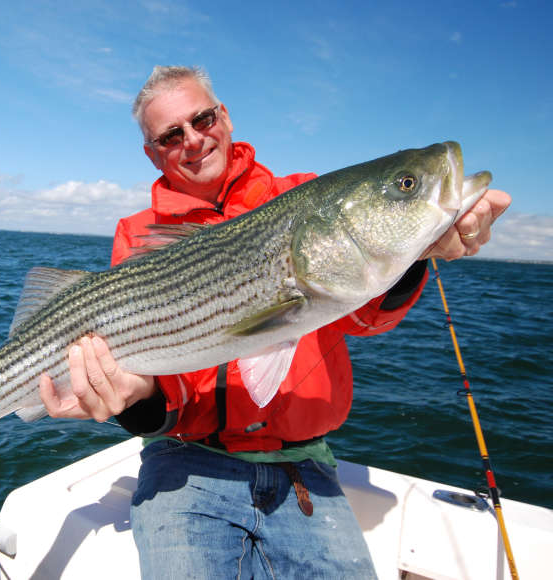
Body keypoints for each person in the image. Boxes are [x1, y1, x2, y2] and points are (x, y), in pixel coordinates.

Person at [39, 66, 512, 578]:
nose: (193, 139)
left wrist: (417, 253)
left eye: (202, 118)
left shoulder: (304, 196)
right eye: (172, 135)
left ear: (225, 117)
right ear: (154, 153)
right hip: (184, 464)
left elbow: (367, 315)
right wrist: (135, 401)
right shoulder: (138, 235)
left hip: (305, 467)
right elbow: (156, 378)